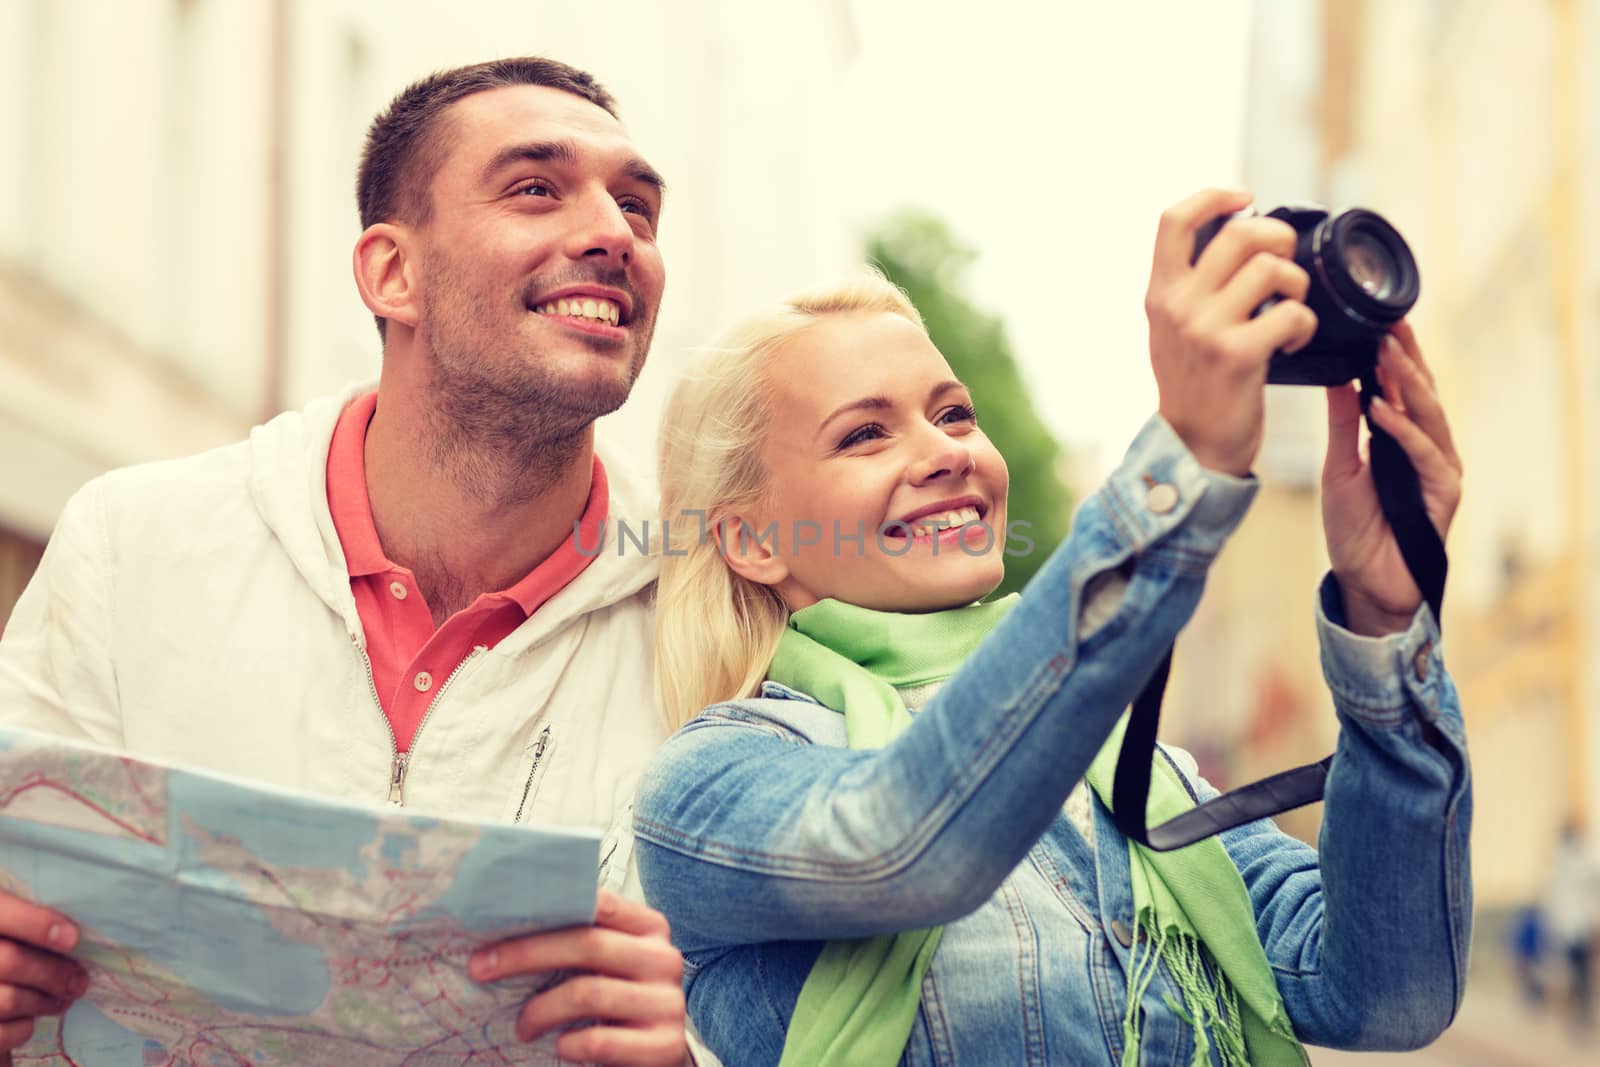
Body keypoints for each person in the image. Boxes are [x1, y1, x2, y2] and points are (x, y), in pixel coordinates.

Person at [632, 189, 1473, 1066]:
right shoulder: (708, 783)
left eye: (953, 412)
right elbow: (909, 842)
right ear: (752, 538)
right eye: (865, 434)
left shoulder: (1136, 774)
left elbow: (1389, 994)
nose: (948, 450)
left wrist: (1384, 619)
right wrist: (1182, 466)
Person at [0, 58, 701, 1067]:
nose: (614, 234)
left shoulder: (713, 613)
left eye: (638, 207)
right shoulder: (130, 541)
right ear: (390, 273)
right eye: (536, 187)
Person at [1545, 820, 1599, 1029]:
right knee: (1578, 974)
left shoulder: (1566, 862)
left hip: (1574, 928)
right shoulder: (1571, 861)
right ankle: (1579, 1014)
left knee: (1578, 974)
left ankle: (1580, 1014)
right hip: (1574, 928)